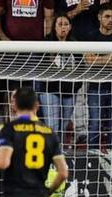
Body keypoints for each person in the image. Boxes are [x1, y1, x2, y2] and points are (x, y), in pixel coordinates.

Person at [85, 3, 112, 148]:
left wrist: (100, 59)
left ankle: (111, 155)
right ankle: (91, 156)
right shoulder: (91, 36)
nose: (111, 20)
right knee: (95, 123)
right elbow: (89, 60)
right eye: (107, 16)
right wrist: (111, 57)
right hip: (95, 87)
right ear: (99, 17)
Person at [34, 14, 81, 144]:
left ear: (70, 27)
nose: (63, 28)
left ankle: (59, 152)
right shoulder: (46, 42)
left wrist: (76, 87)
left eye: (66, 24)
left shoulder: (76, 45)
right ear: (54, 27)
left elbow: (81, 68)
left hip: (69, 90)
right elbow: (41, 67)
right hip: (49, 89)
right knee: (52, 126)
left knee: (63, 125)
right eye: (60, 24)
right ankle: (51, 153)